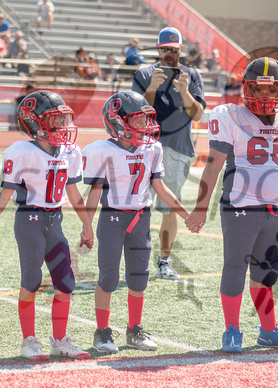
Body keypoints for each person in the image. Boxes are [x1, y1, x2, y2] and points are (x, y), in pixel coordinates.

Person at [185, 57, 278, 352]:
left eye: (271, 90)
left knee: (265, 275)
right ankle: (231, 330)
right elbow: (213, 165)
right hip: (240, 206)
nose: (264, 96)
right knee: (234, 269)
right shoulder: (228, 115)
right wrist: (201, 207)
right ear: (246, 89)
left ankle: (268, 331)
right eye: (258, 89)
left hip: (275, 209)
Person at [0, 91, 94, 360]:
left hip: (55, 220)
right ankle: (29, 340)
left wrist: (87, 225)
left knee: (66, 282)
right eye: (55, 121)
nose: (63, 127)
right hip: (29, 220)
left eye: (63, 120)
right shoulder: (20, 151)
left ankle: (59, 339)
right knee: (31, 281)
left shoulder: (70, 151)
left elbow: (75, 193)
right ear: (34, 124)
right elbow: (5, 195)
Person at [82, 91, 190, 354]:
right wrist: (86, 227)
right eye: (139, 120)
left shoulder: (152, 148)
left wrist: (187, 215)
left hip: (141, 218)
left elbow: (161, 189)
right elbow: (94, 194)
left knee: (139, 278)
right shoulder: (101, 150)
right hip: (112, 218)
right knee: (108, 276)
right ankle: (102, 331)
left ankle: (134, 329)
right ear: (118, 122)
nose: (146, 126)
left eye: (145, 119)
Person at [132, 27, 206, 280]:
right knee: (136, 206)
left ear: (180, 50)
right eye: (165, 49)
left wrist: (185, 92)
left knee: (169, 209)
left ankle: (164, 262)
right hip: (143, 148)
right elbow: (136, 112)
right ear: (158, 49)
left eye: (173, 50)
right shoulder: (143, 74)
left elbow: (198, 115)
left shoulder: (192, 75)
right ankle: (137, 260)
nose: (169, 54)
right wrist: (152, 87)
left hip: (176, 149)